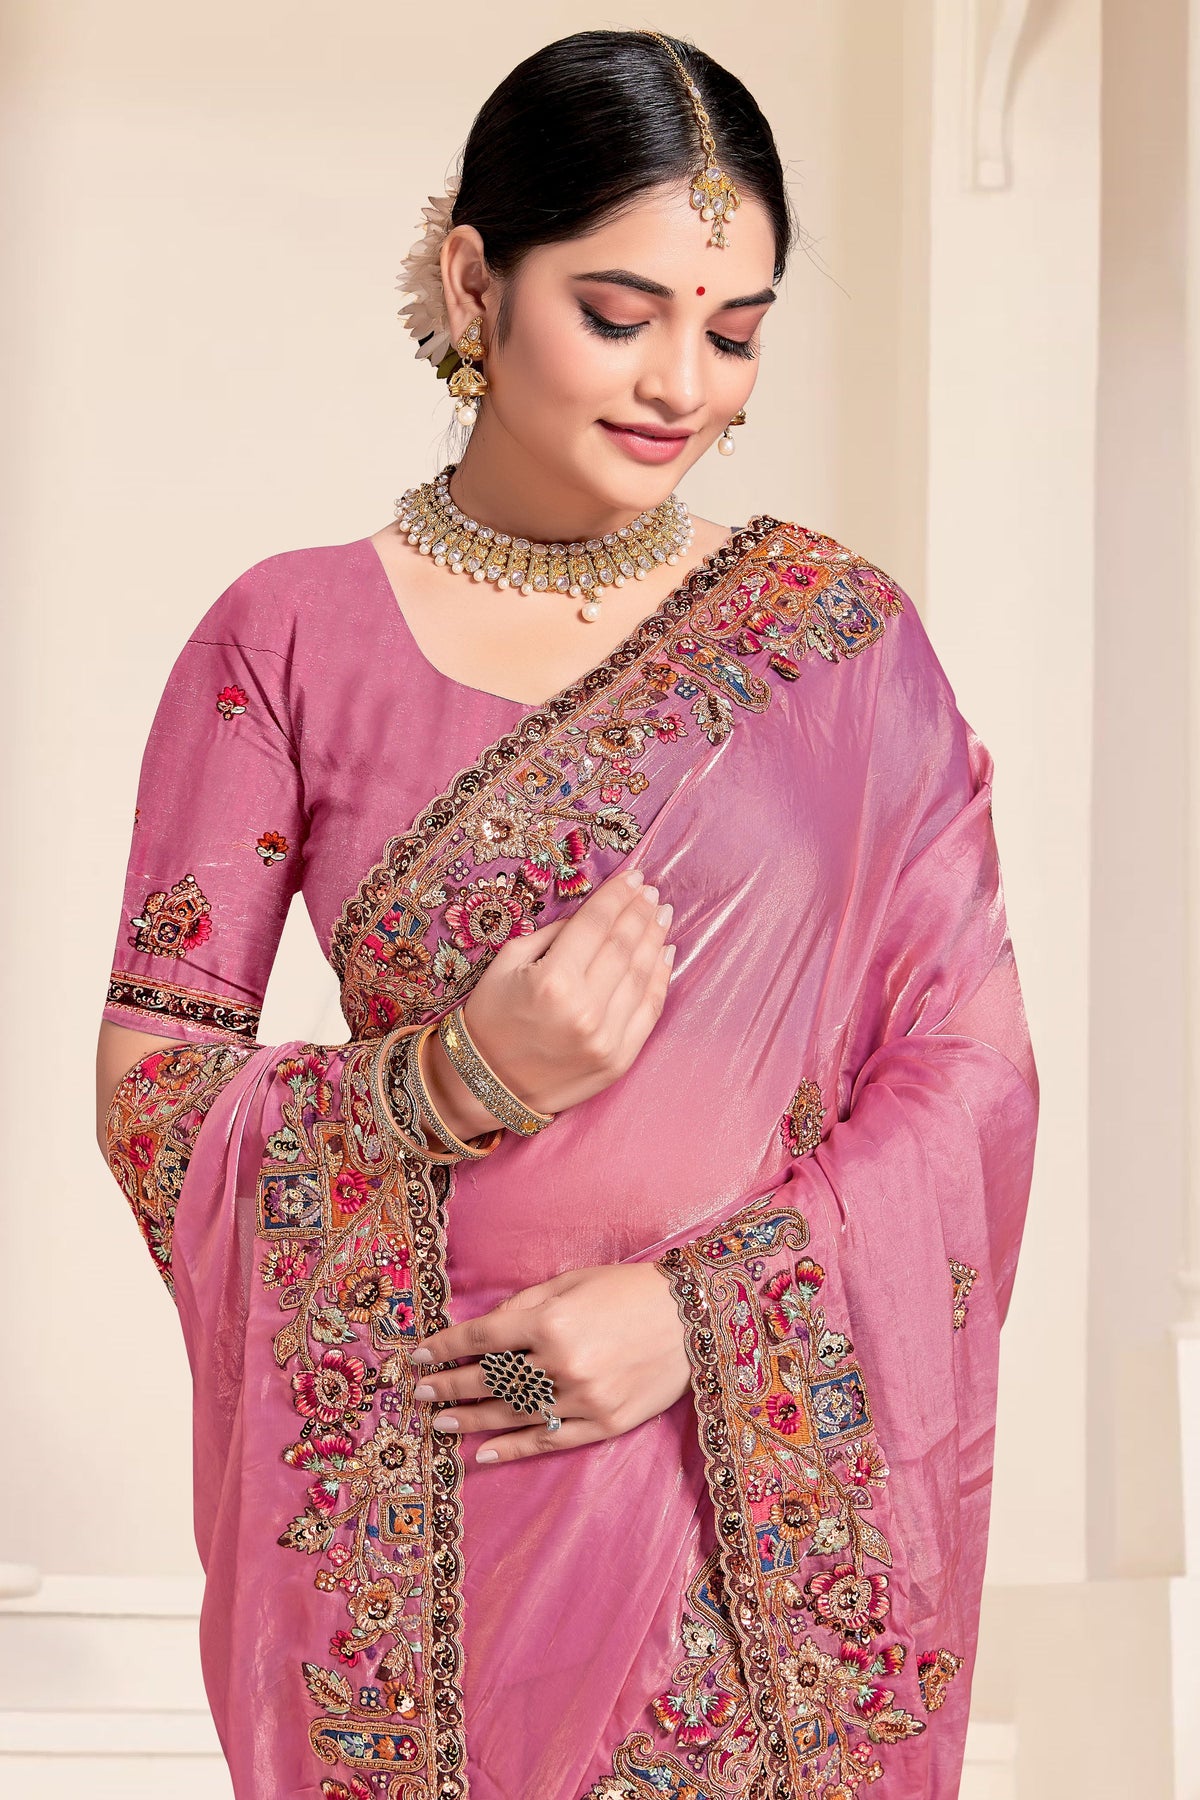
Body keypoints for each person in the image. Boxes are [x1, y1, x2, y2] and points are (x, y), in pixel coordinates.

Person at [94, 27, 1038, 1800]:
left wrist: (696, 1319)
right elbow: (155, 1095)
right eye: (620, 314)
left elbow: (969, 1074)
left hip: (745, 1531)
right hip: (432, 1499)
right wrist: (457, 1076)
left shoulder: (839, 643)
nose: (683, 383)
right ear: (476, 281)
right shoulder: (282, 638)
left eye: (735, 332)